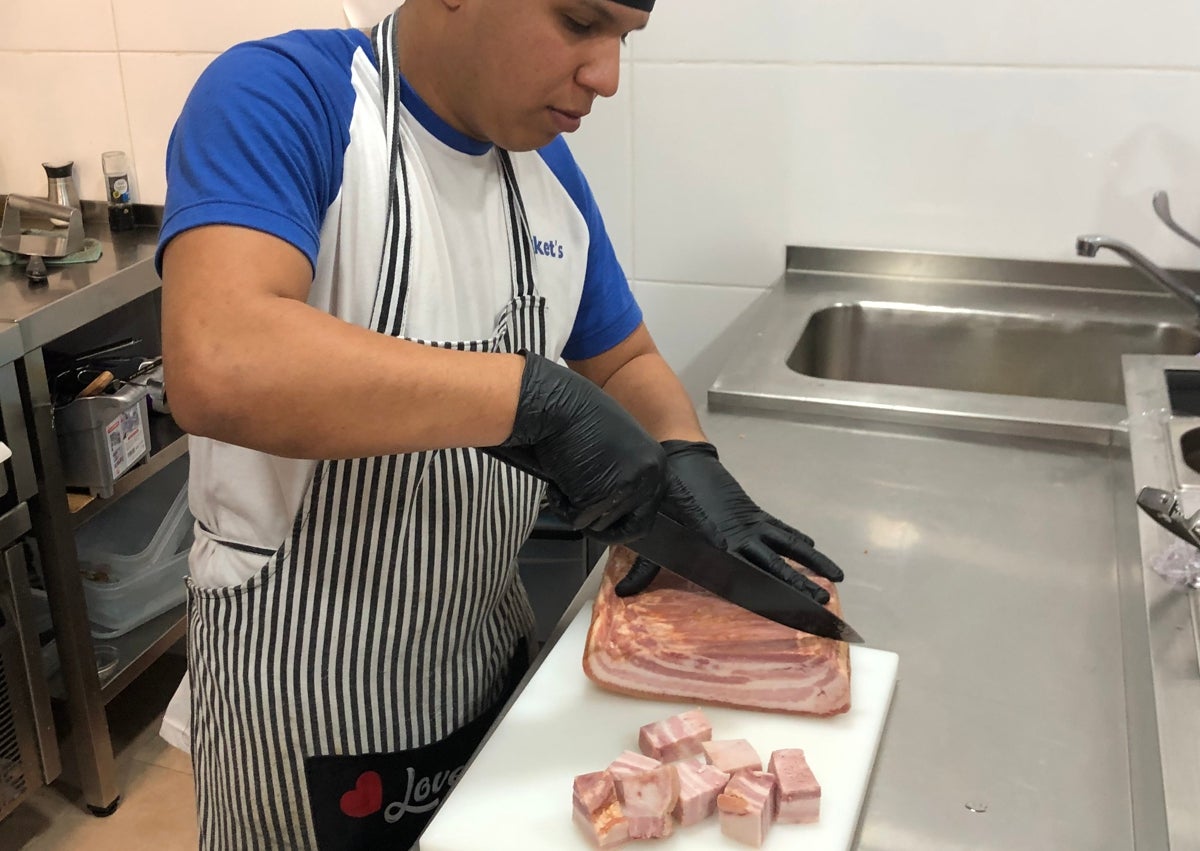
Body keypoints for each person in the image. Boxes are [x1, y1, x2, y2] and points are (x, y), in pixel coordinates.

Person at [156, 0, 844, 847]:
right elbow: (222, 358)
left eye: (623, 40)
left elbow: (623, 360)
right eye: (579, 22)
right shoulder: (286, 97)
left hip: (486, 646)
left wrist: (687, 455)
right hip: (307, 691)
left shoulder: (545, 170)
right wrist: (532, 398)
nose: (607, 76)